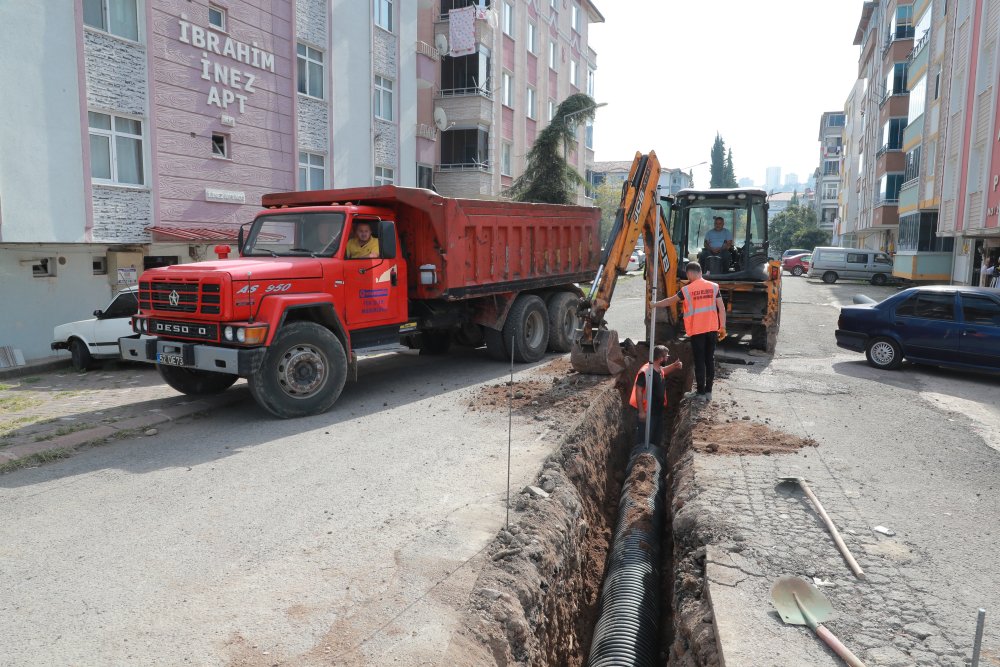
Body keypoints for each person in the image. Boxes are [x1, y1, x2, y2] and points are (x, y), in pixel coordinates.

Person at [652, 261, 726, 401]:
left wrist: (655, 304)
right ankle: (709, 393)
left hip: (697, 330)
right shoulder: (714, 287)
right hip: (712, 329)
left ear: (689, 274)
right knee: (709, 360)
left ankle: (700, 393)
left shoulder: (687, 290)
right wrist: (722, 327)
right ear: (701, 272)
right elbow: (721, 308)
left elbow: (670, 301)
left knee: (699, 361)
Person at [630, 345, 683, 446]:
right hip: (648, 412)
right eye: (666, 356)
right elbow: (638, 390)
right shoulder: (646, 372)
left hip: (658, 411)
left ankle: (653, 452)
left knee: (656, 439)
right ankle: (640, 453)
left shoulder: (657, 369)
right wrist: (641, 412)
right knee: (644, 440)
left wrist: (674, 366)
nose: (667, 358)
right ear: (660, 358)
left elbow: (663, 371)